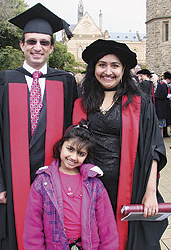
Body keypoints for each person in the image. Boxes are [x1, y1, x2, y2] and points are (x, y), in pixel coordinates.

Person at [0, 3, 78, 250]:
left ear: (52, 47)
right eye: (32, 41)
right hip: (11, 177)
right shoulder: (2, 81)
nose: (38, 47)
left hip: (53, 177)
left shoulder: (65, 82)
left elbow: (73, 131)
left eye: (44, 42)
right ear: (22, 45)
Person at [72, 39, 168, 250]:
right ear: (93, 69)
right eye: (102, 65)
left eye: (115, 65)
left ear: (124, 70)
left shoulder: (139, 103)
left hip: (130, 186)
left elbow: (153, 148)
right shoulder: (82, 102)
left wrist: (150, 192)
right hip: (91, 187)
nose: (108, 71)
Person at [23, 122, 119, 250]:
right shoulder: (43, 182)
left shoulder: (94, 185)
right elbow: (33, 226)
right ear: (60, 146)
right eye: (70, 149)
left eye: (81, 154)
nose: (73, 157)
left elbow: (107, 226)